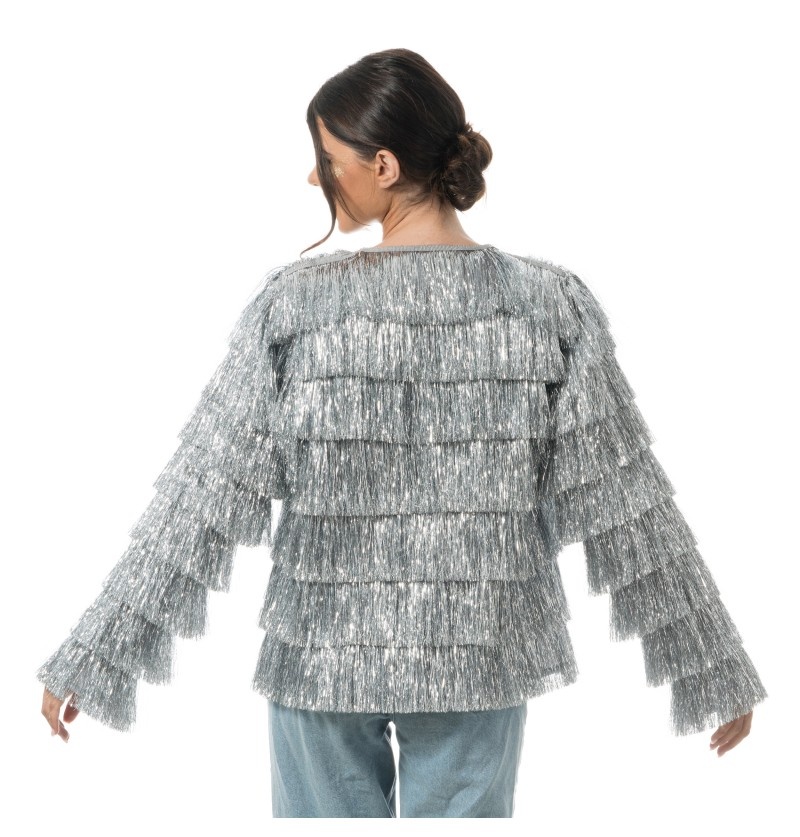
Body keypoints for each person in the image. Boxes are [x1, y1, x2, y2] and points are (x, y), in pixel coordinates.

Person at [38, 48, 767, 818]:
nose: (315, 178)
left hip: (320, 651)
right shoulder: (549, 306)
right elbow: (628, 501)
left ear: (382, 165)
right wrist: (712, 664)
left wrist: (97, 652)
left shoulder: (295, 307)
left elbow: (201, 498)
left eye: (328, 160)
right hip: (478, 654)